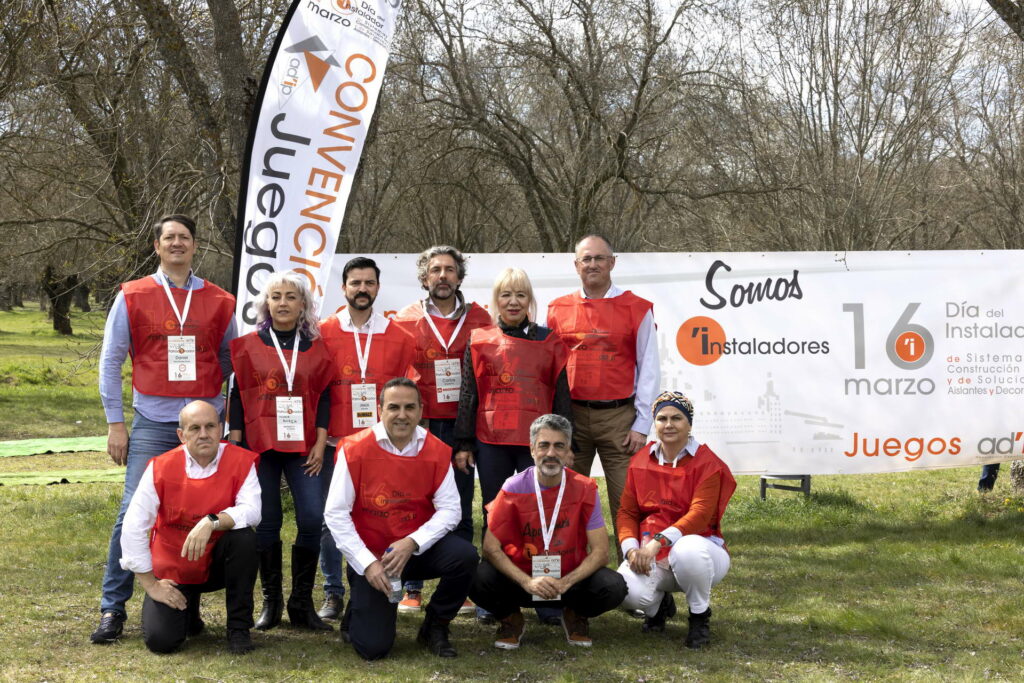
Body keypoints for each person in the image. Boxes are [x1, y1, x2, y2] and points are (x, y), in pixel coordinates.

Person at [92, 214, 237, 644]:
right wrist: (116, 424)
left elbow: (230, 360)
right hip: (154, 423)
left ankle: (189, 604)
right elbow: (110, 360)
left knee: (203, 511)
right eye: (169, 237)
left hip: (205, 424)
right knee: (131, 514)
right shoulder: (133, 295)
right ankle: (112, 608)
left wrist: (218, 409)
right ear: (156, 246)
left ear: (195, 246)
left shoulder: (219, 300)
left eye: (184, 237)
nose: (177, 243)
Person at [323, 378, 479, 660]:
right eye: (394, 407)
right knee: (372, 649)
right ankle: (358, 603)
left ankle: (435, 626)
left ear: (421, 411)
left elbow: (451, 510)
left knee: (465, 556)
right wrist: (367, 564)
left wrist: (412, 542)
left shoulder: (437, 450)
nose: (402, 415)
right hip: (374, 556)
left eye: (410, 407)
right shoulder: (354, 449)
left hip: (415, 550)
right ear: (380, 410)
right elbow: (335, 513)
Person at [454, 267, 571, 625]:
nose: (513, 301)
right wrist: (463, 442)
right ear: (496, 300)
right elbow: (468, 393)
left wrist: (568, 443)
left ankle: (546, 595)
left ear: (530, 300)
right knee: (496, 515)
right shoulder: (478, 339)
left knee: (543, 516)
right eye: (506, 295)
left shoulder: (550, 340)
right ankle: (494, 597)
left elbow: (561, 395)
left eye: (521, 294)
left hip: (539, 446)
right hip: (492, 442)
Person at [228, 271, 336, 632]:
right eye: (276, 296)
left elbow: (325, 397)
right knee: (267, 520)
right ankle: (271, 602)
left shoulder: (317, 347)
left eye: (291, 296)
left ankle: (301, 603)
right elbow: (238, 396)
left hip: (304, 446)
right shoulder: (247, 345)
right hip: (260, 446)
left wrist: (320, 442)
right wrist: (237, 446)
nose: (283, 303)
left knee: (312, 517)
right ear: (266, 303)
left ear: (303, 304)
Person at [469, 414, 627, 649]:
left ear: (568, 451)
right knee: (475, 577)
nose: (551, 453)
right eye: (544, 445)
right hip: (522, 581)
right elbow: (491, 548)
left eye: (559, 446)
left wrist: (565, 583)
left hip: (569, 582)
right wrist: (527, 582)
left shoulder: (585, 488)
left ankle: (574, 614)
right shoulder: (513, 487)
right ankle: (511, 618)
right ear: (532, 450)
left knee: (613, 586)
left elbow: (601, 553)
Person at [392, 246, 492, 613]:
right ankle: (412, 586)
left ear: (460, 277)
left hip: (464, 424)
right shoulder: (405, 319)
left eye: (450, 269)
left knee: (461, 504)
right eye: (436, 270)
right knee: (415, 503)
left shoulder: (481, 318)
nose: (443, 276)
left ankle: (460, 586)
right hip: (421, 424)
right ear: (424, 278)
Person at [546, 234, 659, 557]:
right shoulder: (557, 309)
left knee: (628, 502)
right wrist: (554, 427)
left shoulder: (637, 308)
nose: (592, 264)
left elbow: (649, 369)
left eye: (599, 258)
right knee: (565, 499)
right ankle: (570, 571)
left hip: (619, 419)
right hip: (571, 420)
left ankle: (633, 573)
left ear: (612, 262)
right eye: (586, 259)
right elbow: (549, 370)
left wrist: (642, 425)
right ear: (576, 265)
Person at [316, 257, 416, 620]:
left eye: (369, 283)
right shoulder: (322, 332)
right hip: (334, 445)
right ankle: (332, 592)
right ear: (343, 287)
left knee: (381, 517)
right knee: (331, 522)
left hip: (380, 448)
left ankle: (379, 586)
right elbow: (315, 390)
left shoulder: (400, 336)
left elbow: (408, 395)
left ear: (378, 287)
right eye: (355, 282)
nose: (362, 289)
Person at [119, 401, 261, 654]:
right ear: (181, 435)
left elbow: (252, 511)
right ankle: (189, 612)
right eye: (194, 428)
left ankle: (239, 628)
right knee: (162, 642)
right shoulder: (160, 467)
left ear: (221, 429)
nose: (204, 434)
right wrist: (152, 586)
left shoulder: (241, 460)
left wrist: (211, 521)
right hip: (174, 566)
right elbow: (133, 527)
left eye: (210, 426)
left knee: (244, 539)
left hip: (217, 563)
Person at [616, 391, 736, 649]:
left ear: (689, 424)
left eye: (676, 418)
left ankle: (699, 616)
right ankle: (658, 606)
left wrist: (658, 541)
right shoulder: (640, 460)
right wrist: (631, 550)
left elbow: (700, 515)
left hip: (701, 551)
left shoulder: (708, 463)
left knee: (687, 549)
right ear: (655, 424)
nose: (668, 424)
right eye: (662, 419)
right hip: (652, 553)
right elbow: (627, 512)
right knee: (623, 590)